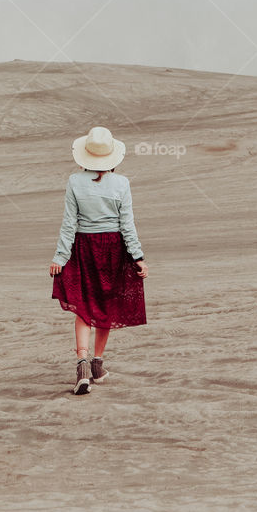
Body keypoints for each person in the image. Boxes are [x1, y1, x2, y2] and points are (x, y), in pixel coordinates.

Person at [49, 125, 148, 394]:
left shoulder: (74, 181)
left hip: (83, 247)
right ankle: (97, 364)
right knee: (106, 305)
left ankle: (81, 363)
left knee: (83, 306)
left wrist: (60, 256)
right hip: (113, 248)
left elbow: (69, 223)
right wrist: (138, 257)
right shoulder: (122, 183)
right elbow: (127, 225)